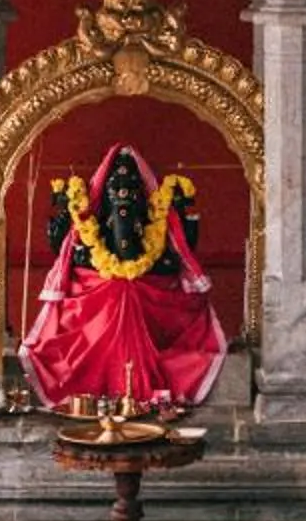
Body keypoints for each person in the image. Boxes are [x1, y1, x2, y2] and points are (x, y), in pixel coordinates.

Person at [20, 142, 227, 410]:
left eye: (129, 187)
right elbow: (71, 251)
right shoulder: (92, 225)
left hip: (145, 285)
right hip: (100, 288)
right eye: (116, 187)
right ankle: (95, 390)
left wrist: (178, 218)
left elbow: (173, 256)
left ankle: (134, 391)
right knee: (114, 291)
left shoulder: (154, 222)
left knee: (130, 290)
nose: (122, 193)